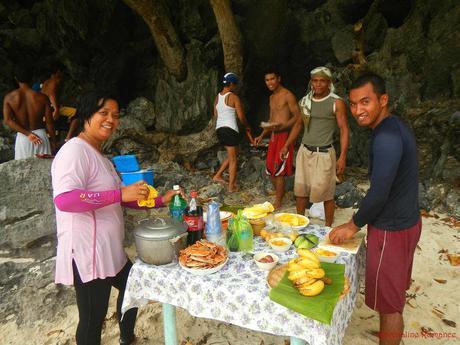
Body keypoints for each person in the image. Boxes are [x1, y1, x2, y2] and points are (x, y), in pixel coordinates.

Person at [51, 91, 180, 345]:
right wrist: (119, 192)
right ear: (87, 114)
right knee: (92, 319)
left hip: (111, 250)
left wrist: (159, 200)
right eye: (104, 113)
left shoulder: (101, 156)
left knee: (134, 287)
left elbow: (121, 197)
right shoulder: (74, 151)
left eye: (116, 115)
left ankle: (126, 337)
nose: (111, 119)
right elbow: (65, 200)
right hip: (90, 254)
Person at [329, 73, 421, 345]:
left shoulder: (386, 138)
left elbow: (379, 193)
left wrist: (352, 224)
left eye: (365, 102)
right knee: (394, 296)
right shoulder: (394, 127)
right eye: (354, 103)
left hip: (392, 229)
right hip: (408, 222)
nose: (358, 110)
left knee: (389, 305)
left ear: (383, 100)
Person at [280, 66, 349, 226]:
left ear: (328, 83)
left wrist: (342, 157)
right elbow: (298, 125)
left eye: (322, 81)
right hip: (305, 151)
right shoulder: (305, 101)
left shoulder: (336, 102)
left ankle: (328, 228)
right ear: (311, 82)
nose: (318, 84)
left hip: (324, 153)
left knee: (326, 194)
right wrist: (286, 145)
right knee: (301, 191)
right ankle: (299, 225)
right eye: (315, 81)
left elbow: (344, 129)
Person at [254, 68, 302, 209]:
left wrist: (284, 127)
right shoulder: (272, 97)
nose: (270, 82)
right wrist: (261, 135)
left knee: (278, 169)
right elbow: (271, 119)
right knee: (270, 168)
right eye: (267, 80)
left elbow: (298, 117)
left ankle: (278, 201)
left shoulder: (288, 95)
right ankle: (280, 194)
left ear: (279, 79)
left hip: (285, 136)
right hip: (273, 137)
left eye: (272, 79)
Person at [3, 66, 56, 159]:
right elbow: (49, 122)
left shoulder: (9, 98)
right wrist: (53, 141)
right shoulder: (43, 98)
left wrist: (28, 134)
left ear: (16, 78)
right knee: (44, 172)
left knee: (22, 172)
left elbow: (8, 120)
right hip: (41, 137)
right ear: (32, 78)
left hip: (24, 137)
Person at [212, 72, 253, 192]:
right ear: (232, 84)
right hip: (230, 130)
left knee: (234, 152)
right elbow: (241, 116)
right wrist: (247, 126)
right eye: (235, 85)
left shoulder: (217, 97)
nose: (236, 87)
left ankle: (217, 175)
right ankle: (231, 186)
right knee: (234, 159)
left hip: (219, 129)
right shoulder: (234, 97)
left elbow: (215, 115)